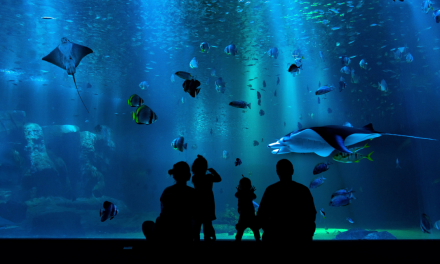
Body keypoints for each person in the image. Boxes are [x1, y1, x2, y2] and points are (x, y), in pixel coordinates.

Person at [257, 159, 316, 243]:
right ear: (292, 171)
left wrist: (267, 229)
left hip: (274, 236)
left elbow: (261, 214)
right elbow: (311, 214)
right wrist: (308, 233)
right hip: (300, 236)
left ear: (277, 172)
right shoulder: (303, 190)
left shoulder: (271, 190)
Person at [142, 161, 196, 242]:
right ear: (188, 176)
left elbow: (163, 210)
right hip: (184, 233)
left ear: (174, 175)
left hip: (163, 232)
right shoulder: (192, 192)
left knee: (146, 224)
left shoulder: (167, 191)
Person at [191, 155, 221, 241]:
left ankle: (196, 241)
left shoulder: (195, 177)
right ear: (205, 167)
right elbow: (219, 179)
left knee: (197, 225)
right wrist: (213, 171)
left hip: (197, 203)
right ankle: (208, 241)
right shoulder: (208, 177)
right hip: (208, 203)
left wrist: (201, 160)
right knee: (207, 225)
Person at [234, 176, 260, 242]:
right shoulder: (250, 193)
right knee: (255, 228)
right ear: (250, 185)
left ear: (240, 185)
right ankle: (258, 239)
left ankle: (237, 240)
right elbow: (254, 197)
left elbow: (236, 195)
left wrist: (239, 190)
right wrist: (250, 191)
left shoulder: (240, 193)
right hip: (251, 214)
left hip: (243, 214)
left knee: (240, 229)